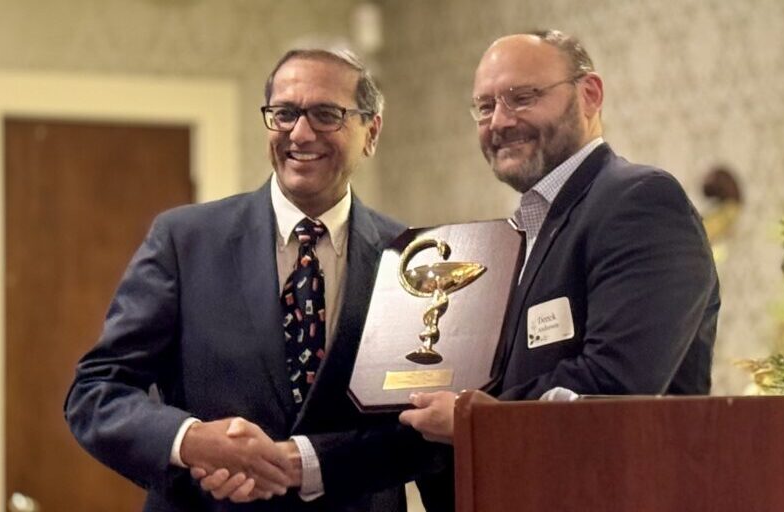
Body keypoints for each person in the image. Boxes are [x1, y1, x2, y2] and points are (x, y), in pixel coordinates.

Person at [65, 48, 444, 511]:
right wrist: (190, 440)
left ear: (372, 132)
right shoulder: (184, 242)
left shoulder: (409, 257)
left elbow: (425, 427)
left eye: (326, 114)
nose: (300, 134)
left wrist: (305, 462)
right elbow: (97, 392)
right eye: (284, 114)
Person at [399, 30, 720, 442]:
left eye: (522, 97)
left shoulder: (641, 202)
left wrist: (476, 419)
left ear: (589, 94)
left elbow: (615, 384)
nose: (499, 121)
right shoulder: (518, 235)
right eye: (484, 106)